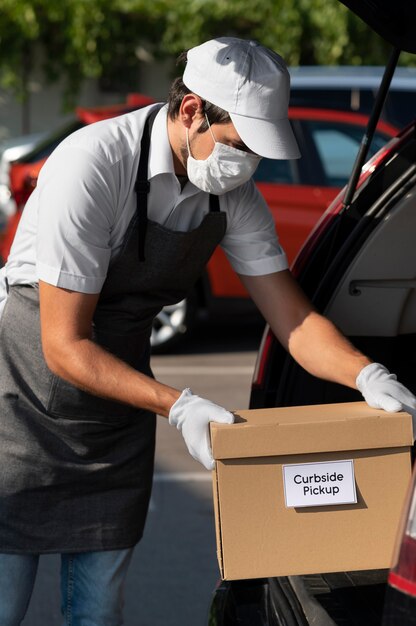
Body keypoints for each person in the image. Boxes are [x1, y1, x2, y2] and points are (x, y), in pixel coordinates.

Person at [0, 36, 414, 626]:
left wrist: (368, 374)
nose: (247, 166)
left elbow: (292, 319)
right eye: (239, 146)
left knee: (97, 612)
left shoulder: (231, 196)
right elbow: (63, 344)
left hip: (117, 410)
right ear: (192, 110)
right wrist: (180, 406)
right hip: (23, 406)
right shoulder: (92, 164)